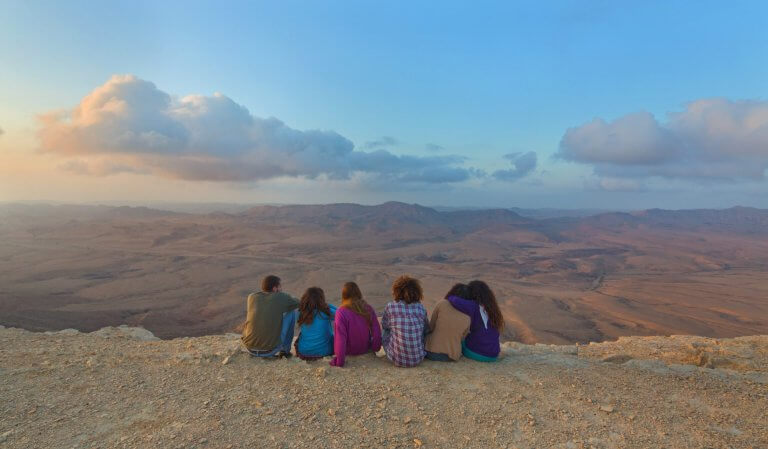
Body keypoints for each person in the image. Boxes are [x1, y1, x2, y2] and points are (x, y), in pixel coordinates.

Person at [241, 275, 299, 358]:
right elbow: (298, 302)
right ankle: (285, 351)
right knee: (291, 312)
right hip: (269, 351)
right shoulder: (280, 296)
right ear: (275, 288)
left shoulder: (252, 297)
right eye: (280, 286)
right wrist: (287, 297)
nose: (281, 289)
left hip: (250, 348)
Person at [446, 280, 504, 362]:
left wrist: (452, 294)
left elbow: (453, 299)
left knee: (460, 340)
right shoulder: (492, 309)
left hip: (477, 354)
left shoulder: (473, 306)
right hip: (494, 355)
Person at [330, 282, 382, 367]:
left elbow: (340, 338)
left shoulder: (341, 312)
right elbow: (376, 330)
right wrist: (376, 347)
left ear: (344, 295)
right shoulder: (368, 308)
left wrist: (339, 361)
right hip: (365, 348)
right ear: (359, 293)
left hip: (349, 351)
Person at [381, 275, 429, 367]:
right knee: (422, 329)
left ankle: (396, 350)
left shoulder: (390, 306)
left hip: (395, 358)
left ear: (396, 291)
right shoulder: (421, 308)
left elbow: (385, 326)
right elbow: (426, 329)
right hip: (418, 359)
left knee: (386, 330)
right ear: (417, 291)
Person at [424, 283, 471, 362]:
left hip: (431, 352)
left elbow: (431, 327)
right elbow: (463, 338)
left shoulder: (442, 304)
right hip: (452, 356)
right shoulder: (468, 317)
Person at [294, 287, 337, 360]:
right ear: (321, 299)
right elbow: (341, 314)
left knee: (301, 335)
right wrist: (327, 305)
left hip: (304, 353)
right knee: (333, 335)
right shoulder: (326, 311)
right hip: (325, 352)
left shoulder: (301, 312)